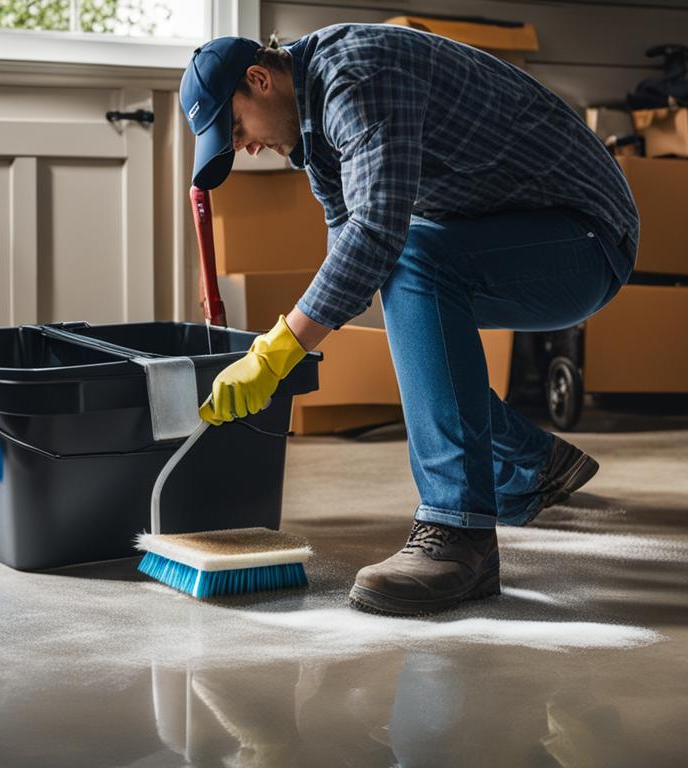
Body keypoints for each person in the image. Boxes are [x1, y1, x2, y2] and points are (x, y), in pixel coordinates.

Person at [179, 24, 639, 616]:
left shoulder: (356, 76)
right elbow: (351, 244)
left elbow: (375, 234)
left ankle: (459, 536)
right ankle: (531, 460)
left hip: (588, 240)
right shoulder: (314, 125)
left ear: (260, 80)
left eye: (237, 128)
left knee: (412, 258)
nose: (243, 147)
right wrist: (293, 349)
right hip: (532, 232)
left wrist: (276, 350)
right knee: (407, 269)